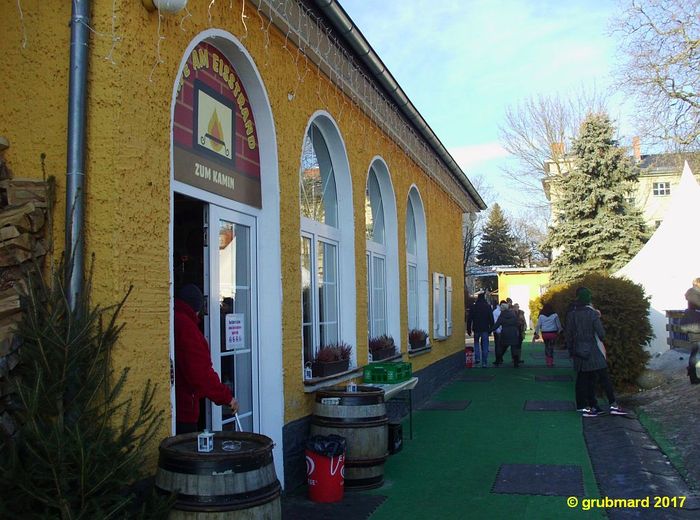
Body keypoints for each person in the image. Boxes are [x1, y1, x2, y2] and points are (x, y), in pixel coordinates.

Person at [175, 284, 239, 434]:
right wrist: (227, 397)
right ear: (197, 307)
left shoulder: (173, 319)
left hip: (174, 404)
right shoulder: (187, 328)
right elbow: (201, 374)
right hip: (184, 408)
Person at [565, 287, 626, 417]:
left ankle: (585, 407)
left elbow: (568, 334)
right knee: (604, 377)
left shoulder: (572, 314)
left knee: (582, 379)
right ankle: (613, 404)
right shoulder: (592, 313)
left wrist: (571, 350)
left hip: (578, 350)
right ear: (589, 299)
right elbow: (601, 334)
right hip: (592, 349)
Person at [467, 292, 495, 368]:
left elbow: (469, 319)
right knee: (485, 345)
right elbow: (491, 319)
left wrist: (468, 329)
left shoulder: (474, 307)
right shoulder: (488, 307)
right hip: (485, 328)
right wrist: (491, 328)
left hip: (476, 328)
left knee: (476, 343)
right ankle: (484, 362)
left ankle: (477, 358)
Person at [533, 303, 563, 367]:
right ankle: (551, 362)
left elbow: (538, 325)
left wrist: (536, 333)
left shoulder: (541, 316)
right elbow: (558, 325)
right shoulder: (555, 315)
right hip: (553, 333)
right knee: (551, 347)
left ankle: (548, 362)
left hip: (545, 334)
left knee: (547, 346)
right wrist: (560, 331)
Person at [492, 302, 521, 367]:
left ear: (502, 309)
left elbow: (497, 325)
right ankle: (516, 363)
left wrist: (490, 330)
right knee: (514, 348)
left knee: (502, 348)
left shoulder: (502, 315)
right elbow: (517, 323)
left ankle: (498, 361)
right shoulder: (513, 314)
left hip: (505, 333)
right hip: (513, 333)